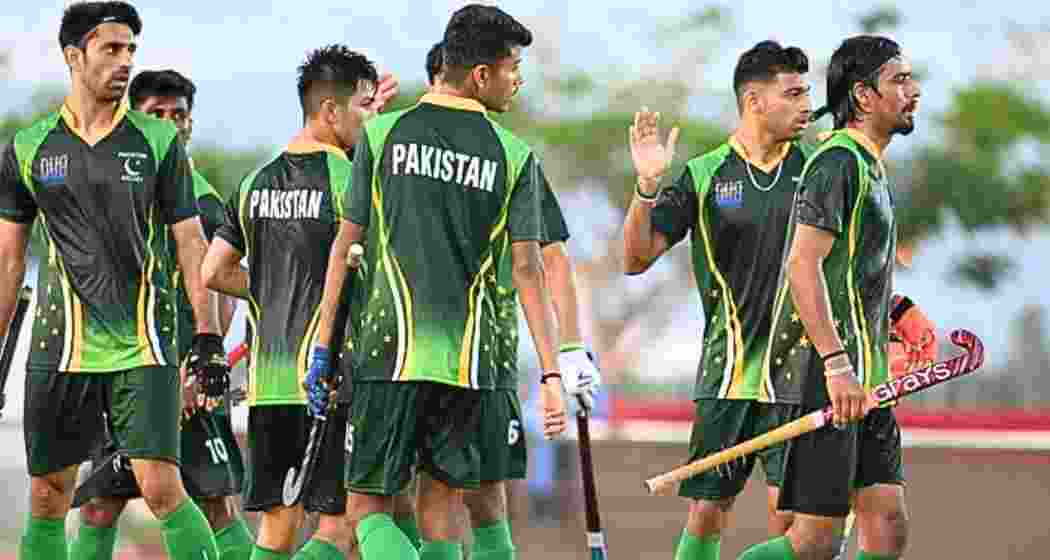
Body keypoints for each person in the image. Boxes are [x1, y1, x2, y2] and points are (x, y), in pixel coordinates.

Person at [308, 5, 570, 559]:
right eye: (512, 67)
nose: (517, 80)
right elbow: (529, 270)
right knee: (439, 512)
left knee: (365, 512)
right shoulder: (515, 154)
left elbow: (345, 246)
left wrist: (323, 344)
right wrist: (551, 369)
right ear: (481, 75)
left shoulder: (381, 135)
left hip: (388, 358)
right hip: (470, 366)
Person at [0, 2, 228, 559]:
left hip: (142, 348)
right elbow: (8, 260)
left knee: (162, 489)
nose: (125, 61)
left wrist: (206, 339)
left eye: (131, 50)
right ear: (74, 57)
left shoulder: (158, 141)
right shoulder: (28, 148)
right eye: (112, 49)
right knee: (50, 495)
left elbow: (190, 242)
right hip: (58, 352)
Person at [202, 45, 395, 560]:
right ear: (331, 111)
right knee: (341, 528)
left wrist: (268, 285)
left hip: (268, 386)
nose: (372, 119)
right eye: (365, 107)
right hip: (328, 380)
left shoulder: (252, 183)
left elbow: (212, 271)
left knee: (277, 531)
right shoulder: (351, 181)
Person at [623, 40, 814, 559]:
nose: (807, 106)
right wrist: (646, 186)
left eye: (808, 93)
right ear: (754, 101)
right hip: (725, 375)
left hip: (798, 378)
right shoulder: (705, 175)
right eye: (793, 94)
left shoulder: (821, 171)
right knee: (707, 513)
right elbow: (635, 258)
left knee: (794, 520)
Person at [736, 34, 921, 560]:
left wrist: (898, 323)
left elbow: (855, 279)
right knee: (814, 542)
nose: (913, 91)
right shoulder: (836, 162)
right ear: (863, 95)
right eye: (900, 81)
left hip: (869, 378)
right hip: (826, 378)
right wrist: (838, 364)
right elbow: (802, 265)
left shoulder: (871, 167)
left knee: (887, 528)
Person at [416, 39, 601, 560]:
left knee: (478, 500)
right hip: (398, 360)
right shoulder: (396, 151)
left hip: (483, 358)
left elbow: (552, 258)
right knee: (403, 506)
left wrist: (569, 348)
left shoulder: (507, 155)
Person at [68, 68, 253, 560]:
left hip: (186, 371)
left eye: (180, 115)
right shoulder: (115, 190)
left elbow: (219, 279)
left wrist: (202, 366)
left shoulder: (203, 196)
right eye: (158, 114)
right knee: (99, 506)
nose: (171, 123)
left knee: (215, 505)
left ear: (190, 125)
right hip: (126, 371)